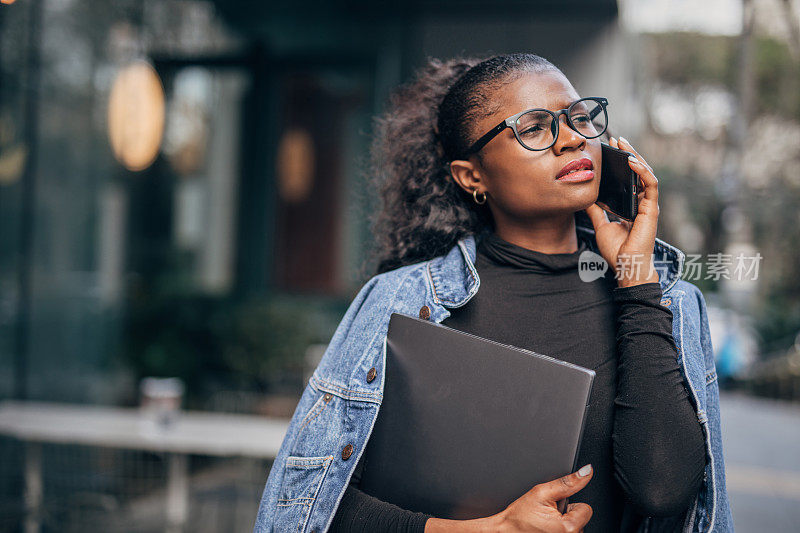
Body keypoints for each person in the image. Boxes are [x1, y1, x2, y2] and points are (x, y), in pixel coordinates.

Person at [253, 53, 733, 533]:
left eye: (579, 117)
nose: (572, 139)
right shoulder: (401, 301)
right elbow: (309, 506)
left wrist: (636, 281)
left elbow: (663, 490)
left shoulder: (667, 301)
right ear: (472, 177)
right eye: (535, 128)